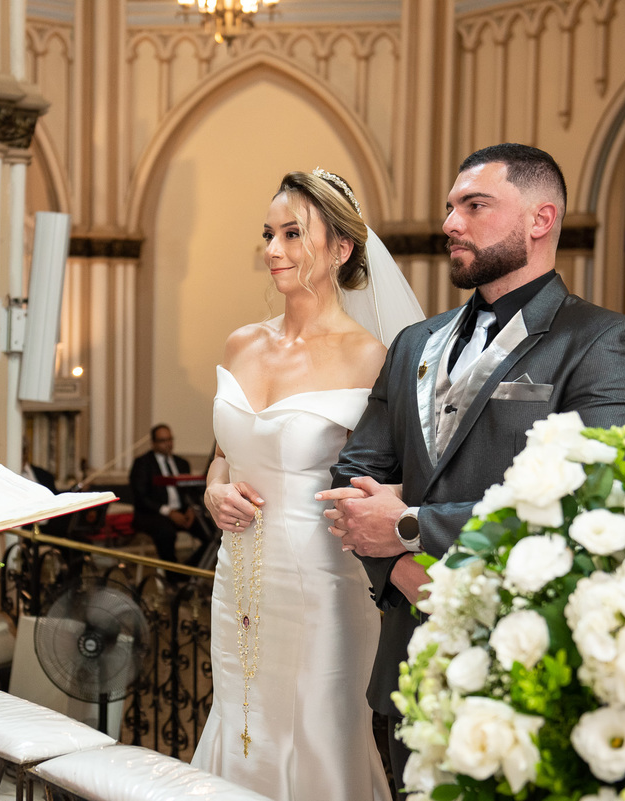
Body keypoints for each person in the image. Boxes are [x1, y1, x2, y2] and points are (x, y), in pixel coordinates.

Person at [318, 143, 625, 797]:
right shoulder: (416, 343)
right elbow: (354, 473)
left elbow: (600, 506)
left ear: (540, 219)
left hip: (526, 665)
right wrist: (394, 563)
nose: (451, 222)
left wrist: (415, 527)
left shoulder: (606, 342)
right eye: (450, 207)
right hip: (407, 661)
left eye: (475, 205)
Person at [192, 169, 424, 801]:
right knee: (241, 722)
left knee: (321, 732)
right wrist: (215, 490)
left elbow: (392, 482)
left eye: (293, 235)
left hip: (326, 585)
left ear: (341, 250)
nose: (273, 250)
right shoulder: (242, 343)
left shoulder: (374, 357)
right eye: (268, 234)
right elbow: (223, 455)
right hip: (238, 577)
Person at [129, 423, 200, 564]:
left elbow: (190, 491)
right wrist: (169, 512)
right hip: (153, 513)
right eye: (163, 441)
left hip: (181, 512)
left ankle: (191, 571)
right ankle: (173, 577)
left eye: (170, 439)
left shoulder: (182, 463)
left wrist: (192, 509)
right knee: (166, 533)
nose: (168, 444)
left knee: (210, 530)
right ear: (153, 443)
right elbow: (141, 496)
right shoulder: (142, 463)